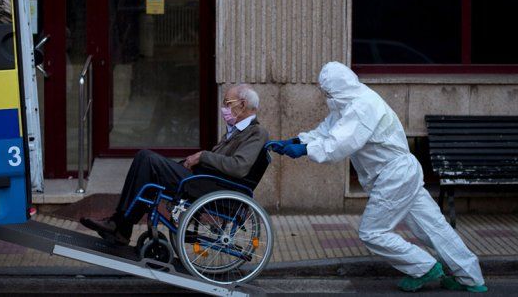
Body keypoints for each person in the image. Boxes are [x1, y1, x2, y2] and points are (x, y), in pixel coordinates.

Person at [266, 62, 486, 293]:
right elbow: (327, 131)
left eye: (328, 92)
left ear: (338, 89)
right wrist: (297, 141)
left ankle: (423, 267)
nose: (326, 97)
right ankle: (471, 278)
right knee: (434, 227)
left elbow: (339, 143)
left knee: (372, 232)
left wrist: (305, 150)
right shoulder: (349, 102)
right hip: (401, 173)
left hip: (395, 176)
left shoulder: (362, 106)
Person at [81, 84, 269, 246]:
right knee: (145, 163)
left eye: (227, 103)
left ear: (242, 105)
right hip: (204, 180)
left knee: (146, 158)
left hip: (213, 187)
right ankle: (121, 224)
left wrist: (203, 156)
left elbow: (239, 166)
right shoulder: (236, 131)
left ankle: (120, 226)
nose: (224, 108)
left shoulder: (256, 133)